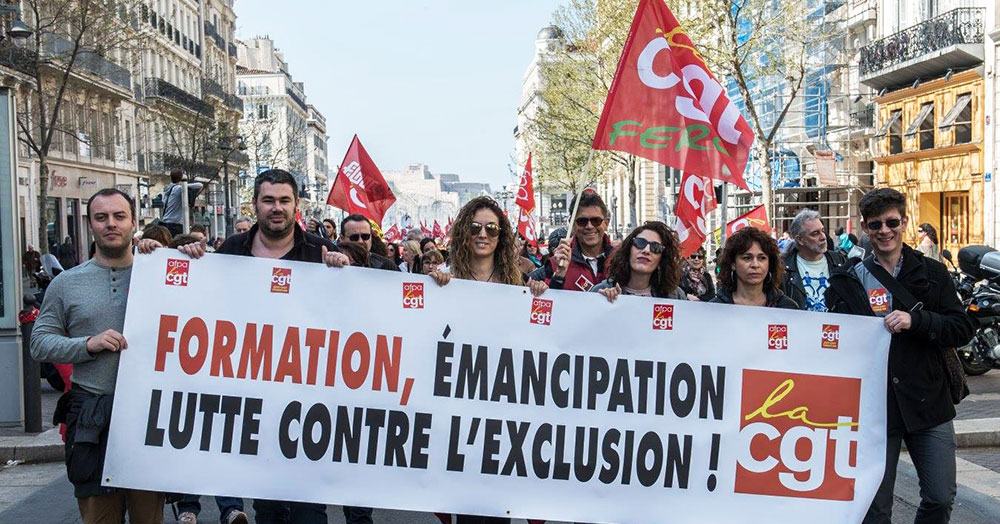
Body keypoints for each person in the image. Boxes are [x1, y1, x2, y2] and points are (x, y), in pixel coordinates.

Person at [138, 169, 351, 524]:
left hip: (307, 407)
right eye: (268, 200)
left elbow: (354, 318)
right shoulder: (231, 251)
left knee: (309, 511)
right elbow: (199, 306)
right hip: (253, 408)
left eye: (284, 200)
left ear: (296, 205)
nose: (276, 207)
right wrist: (173, 257)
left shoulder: (321, 252)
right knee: (268, 509)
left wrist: (345, 274)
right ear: (255, 204)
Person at [824, 188, 974, 524]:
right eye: (876, 224)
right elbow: (834, 339)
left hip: (927, 402)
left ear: (904, 222)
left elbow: (961, 328)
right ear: (865, 227)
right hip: (874, 410)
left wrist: (916, 320)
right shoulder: (848, 278)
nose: (885, 231)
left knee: (940, 497)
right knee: (874, 508)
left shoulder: (933, 273)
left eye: (892, 222)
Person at [30, 188, 165, 524]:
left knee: (149, 516)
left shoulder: (160, 275)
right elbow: (39, 343)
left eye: (119, 216)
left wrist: (178, 255)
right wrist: (87, 344)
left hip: (147, 415)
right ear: (90, 224)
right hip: (91, 416)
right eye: (101, 217)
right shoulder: (66, 283)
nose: (111, 224)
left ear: (133, 221)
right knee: (98, 517)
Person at [530, 190, 614, 291]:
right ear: (572, 225)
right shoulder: (555, 263)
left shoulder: (622, 258)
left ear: (606, 223)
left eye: (596, 220)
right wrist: (558, 277)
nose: (589, 226)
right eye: (582, 221)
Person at [591, 221, 687, 301]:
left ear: (662, 259)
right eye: (640, 243)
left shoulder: (675, 296)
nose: (646, 250)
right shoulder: (602, 290)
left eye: (656, 247)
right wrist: (602, 302)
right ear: (629, 250)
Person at [710, 227, 798, 308]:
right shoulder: (715, 308)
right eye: (747, 258)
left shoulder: (787, 307)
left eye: (762, 258)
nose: (755, 265)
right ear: (733, 264)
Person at [781, 209, 846, 312]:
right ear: (800, 240)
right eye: (815, 233)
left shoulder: (839, 261)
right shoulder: (784, 268)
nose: (823, 237)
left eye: (823, 231)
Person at [160, 169, 203, 236]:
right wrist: (184, 184)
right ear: (181, 177)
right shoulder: (179, 189)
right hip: (175, 224)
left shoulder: (167, 189)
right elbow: (200, 185)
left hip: (165, 223)